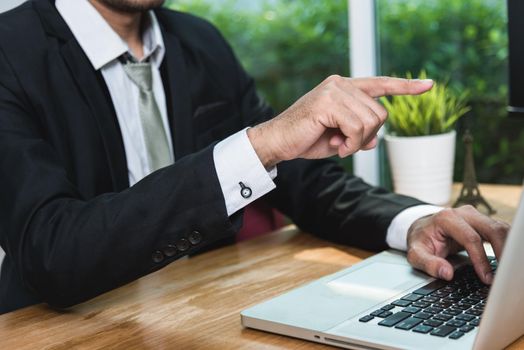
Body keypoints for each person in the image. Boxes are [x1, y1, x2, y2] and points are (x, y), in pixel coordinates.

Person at [0, 0, 509, 314]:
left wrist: (414, 220)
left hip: (206, 311)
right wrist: (262, 143)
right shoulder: (9, 52)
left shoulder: (199, 41)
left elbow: (307, 185)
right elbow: (51, 254)